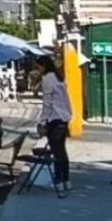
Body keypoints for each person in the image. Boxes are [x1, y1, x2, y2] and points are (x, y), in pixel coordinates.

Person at [36, 56, 72, 194]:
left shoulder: (47, 80)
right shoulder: (59, 78)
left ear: (44, 66)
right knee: (62, 151)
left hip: (54, 118)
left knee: (56, 152)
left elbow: (47, 103)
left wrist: (42, 122)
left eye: (39, 67)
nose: (38, 70)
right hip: (63, 118)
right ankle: (66, 180)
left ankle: (58, 180)